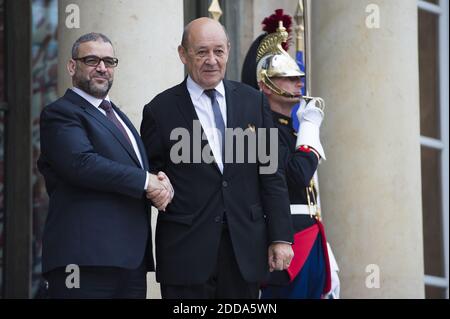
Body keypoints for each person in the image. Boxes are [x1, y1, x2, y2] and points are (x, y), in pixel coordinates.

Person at [140, 18, 294, 299]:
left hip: (244, 251)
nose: (211, 60)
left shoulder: (254, 102)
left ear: (228, 51)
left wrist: (281, 237)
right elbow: (150, 178)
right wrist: (157, 187)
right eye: (201, 52)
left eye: (218, 51)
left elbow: (272, 173)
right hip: (186, 255)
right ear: (183, 54)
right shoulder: (158, 111)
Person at [38, 32, 173, 298]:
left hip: (129, 263)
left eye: (109, 61)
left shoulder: (117, 115)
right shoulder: (61, 113)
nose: (102, 67)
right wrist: (146, 181)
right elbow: (81, 163)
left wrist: (161, 183)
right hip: (84, 263)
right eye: (92, 60)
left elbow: (134, 168)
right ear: (72, 66)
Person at [255, 23, 333, 299]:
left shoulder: (291, 129)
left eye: (298, 76)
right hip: (288, 239)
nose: (299, 83)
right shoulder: (262, 131)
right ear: (265, 85)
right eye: (288, 78)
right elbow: (297, 175)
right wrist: (311, 130)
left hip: (311, 236)